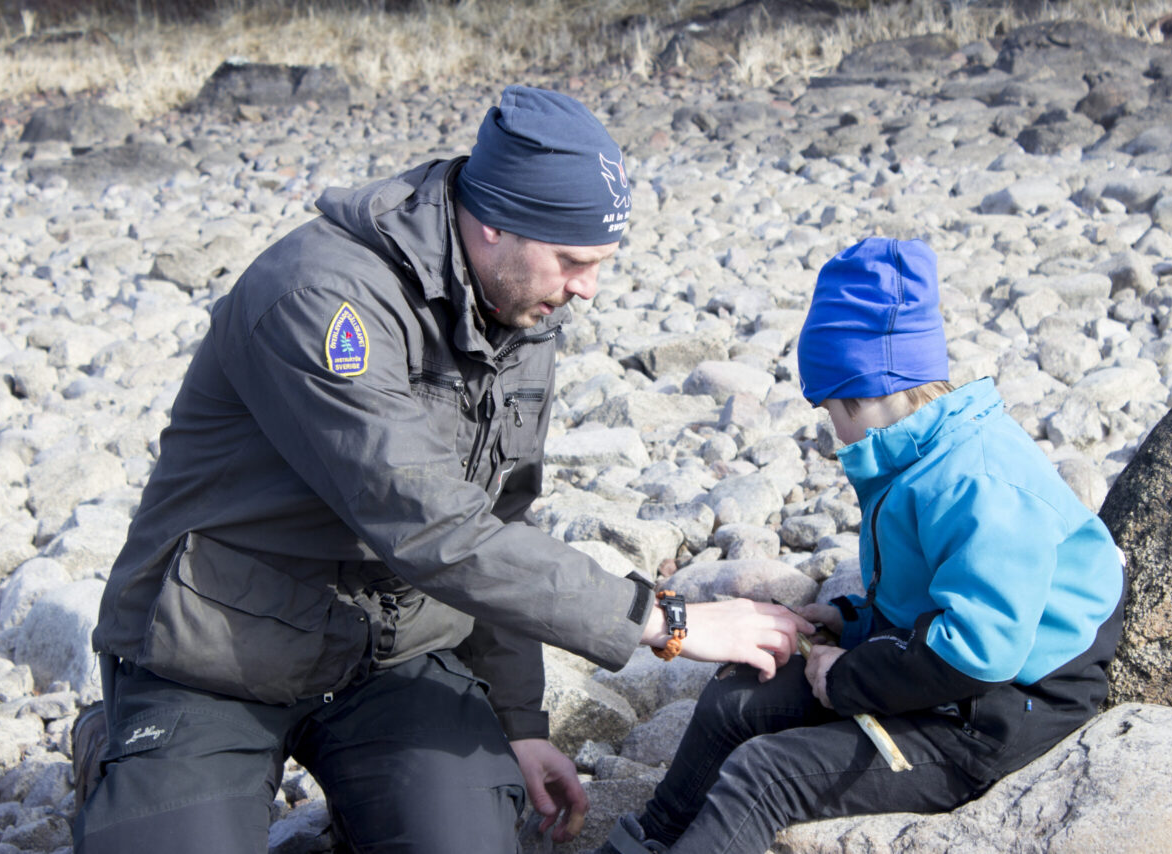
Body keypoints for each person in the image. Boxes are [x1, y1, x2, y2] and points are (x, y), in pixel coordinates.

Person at [73, 85, 813, 854]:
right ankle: (124, 753)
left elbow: (499, 519)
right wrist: (668, 623)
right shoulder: (322, 298)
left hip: (386, 653)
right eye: (573, 260)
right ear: (493, 223)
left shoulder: (522, 309)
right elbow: (430, 523)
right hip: (215, 646)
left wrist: (518, 723)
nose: (587, 288)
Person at [600, 237, 1127, 854]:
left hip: (999, 712)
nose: (834, 433)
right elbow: (934, 593)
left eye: (832, 413)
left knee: (763, 776)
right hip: (944, 671)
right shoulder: (919, 452)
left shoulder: (978, 482)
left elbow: (981, 649)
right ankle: (650, 842)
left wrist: (847, 677)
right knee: (733, 700)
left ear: (871, 391)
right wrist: (852, 622)